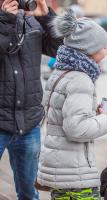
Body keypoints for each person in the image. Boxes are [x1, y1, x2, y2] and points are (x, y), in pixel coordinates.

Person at [36, 10, 107, 199]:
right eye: (103, 47)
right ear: (88, 48)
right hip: (74, 171)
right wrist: (106, 119)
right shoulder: (80, 79)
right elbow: (77, 129)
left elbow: (64, 115)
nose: (106, 51)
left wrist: (92, 113)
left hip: (61, 166)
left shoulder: (61, 71)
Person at [0, 0, 62, 199]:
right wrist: (5, 21)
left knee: (28, 193)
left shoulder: (31, 20)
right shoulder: (5, 19)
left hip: (28, 123)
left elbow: (59, 50)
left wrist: (46, 17)